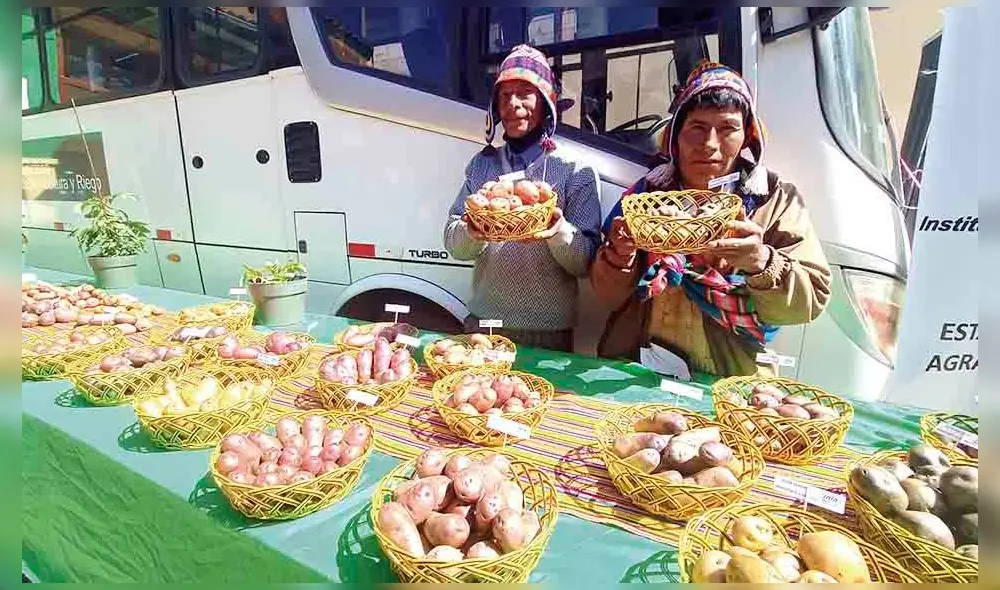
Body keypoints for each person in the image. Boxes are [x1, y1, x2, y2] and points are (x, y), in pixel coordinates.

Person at [591, 61, 832, 377]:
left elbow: (808, 301)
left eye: (728, 128)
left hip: (732, 377)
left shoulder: (774, 201)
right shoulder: (645, 197)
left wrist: (761, 261)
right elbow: (607, 296)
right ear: (675, 135)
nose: (710, 145)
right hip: (638, 370)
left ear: (747, 136)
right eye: (697, 127)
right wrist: (619, 258)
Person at [443, 45, 602, 353]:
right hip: (484, 326)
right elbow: (453, 242)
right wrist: (473, 230)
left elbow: (585, 262)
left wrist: (556, 230)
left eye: (525, 93)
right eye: (504, 95)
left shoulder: (574, 170)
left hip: (547, 335)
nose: (513, 103)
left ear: (546, 103)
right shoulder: (483, 165)